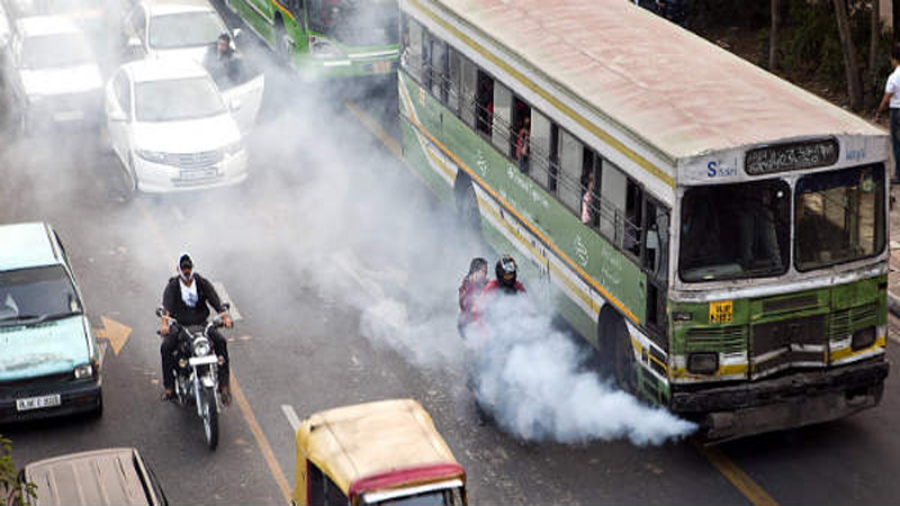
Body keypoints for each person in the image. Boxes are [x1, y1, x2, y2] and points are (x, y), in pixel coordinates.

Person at [159, 254, 233, 404]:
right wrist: (164, 325)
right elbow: (167, 307)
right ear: (178, 269)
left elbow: (215, 300)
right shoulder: (172, 286)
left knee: (221, 342)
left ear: (192, 268)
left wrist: (225, 317)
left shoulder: (201, 282)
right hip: (181, 326)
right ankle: (169, 388)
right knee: (166, 347)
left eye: (189, 268)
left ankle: (224, 386)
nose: (187, 271)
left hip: (202, 325)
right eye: (184, 268)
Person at [875, 43, 900, 183]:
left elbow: (887, 97)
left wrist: (879, 111)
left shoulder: (894, 77)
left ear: (894, 59)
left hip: (897, 112)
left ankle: (899, 174)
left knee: (897, 143)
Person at [457, 257, 488, 336]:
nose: (486, 274)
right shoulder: (468, 287)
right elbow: (468, 305)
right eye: (483, 271)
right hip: (468, 326)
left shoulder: (479, 282)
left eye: (486, 271)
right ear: (475, 271)